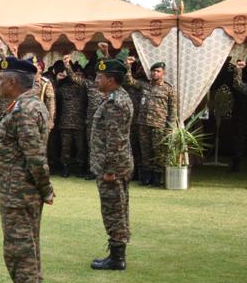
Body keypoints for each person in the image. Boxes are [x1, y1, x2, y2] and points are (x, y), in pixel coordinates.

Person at [0, 57, 54, 283]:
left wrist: (46, 189)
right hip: (15, 191)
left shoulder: (25, 110)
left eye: (2, 79)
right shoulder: (26, 105)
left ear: (13, 82)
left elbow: (35, 157)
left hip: (19, 192)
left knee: (20, 249)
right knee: (27, 246)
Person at [88, 59, 134, 271]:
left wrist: (110, 170)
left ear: (112, 80)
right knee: (118, 208)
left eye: (100, 77)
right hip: (117, 165)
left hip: (112, 168)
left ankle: (117, 258)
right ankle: (116, 254)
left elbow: (115, 140)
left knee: (113, 210)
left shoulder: (116, 103)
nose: (97, 80)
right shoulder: (116, 98)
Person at [126, 59, 179, 187]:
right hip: (143, 124)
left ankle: (157, 178)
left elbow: (172, 110)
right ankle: (146, 177)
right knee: (145, 152)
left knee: (158, 152)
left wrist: (170, 127)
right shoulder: (144, 85)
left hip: (159, 125)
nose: (154, 73)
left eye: (157, 71)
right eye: (153, 71)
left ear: (163, 73)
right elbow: (130, 81)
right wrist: (128, 66)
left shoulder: (168, 89)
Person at [53, 60, 86, 178]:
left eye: (79, 75)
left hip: (79, 123)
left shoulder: (83, 88)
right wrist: (57, 81)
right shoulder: (64, 88)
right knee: (65, 149)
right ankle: (65, 168)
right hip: (65, 123)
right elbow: (53, 94)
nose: (77, 77)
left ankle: (80, 168)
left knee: (80, 148)